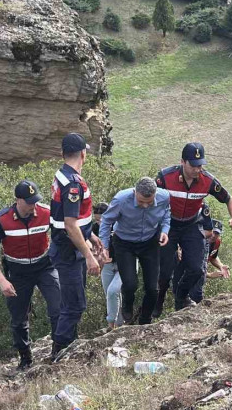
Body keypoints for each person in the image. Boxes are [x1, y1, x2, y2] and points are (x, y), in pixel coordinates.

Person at [154, 142, 232, 316]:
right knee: (165, 270)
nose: (197, 169)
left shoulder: (208, 181)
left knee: (197, 269)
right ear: (182, 162)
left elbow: (229, 199)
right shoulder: (164, 177)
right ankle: (159, 301)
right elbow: (148, 198)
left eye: (200, 165)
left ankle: (182, 296)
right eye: (193, 165)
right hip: (168, 224)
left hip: (192, 225)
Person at [0, 180, 59, 370]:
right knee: (18, 320)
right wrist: (2, 280)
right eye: (28, 201)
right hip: (17, 272)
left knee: (58, 307)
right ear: (18, 200)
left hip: (45, 267)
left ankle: (59, 351)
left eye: (35, 200)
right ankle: (25, 359)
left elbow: (66, 230)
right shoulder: (2, 219)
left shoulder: (46, 212)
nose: (33, 205)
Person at [48, 133, 103, 362]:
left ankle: (69, 343)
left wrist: (91, 236)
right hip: (69, 252)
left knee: (72, 301)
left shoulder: (62, 174)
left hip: (70, 247)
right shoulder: (73, 183)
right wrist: (89, 255)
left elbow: (73, 220)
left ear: (63, 153)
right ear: (83, 154)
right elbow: (70, 225)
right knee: (75, 304)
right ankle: (59, 352)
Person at [98, 177, 171, 325]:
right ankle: (127, 305)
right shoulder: (121, 199)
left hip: (149, 242)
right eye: (141, 202)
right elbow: (106, 221)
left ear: (155, 195)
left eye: (149, 202)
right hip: (124, 243)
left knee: (153, 288)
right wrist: (104, 247)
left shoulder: (164, 197)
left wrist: (165, 230)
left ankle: (145, 320)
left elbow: (166, 214)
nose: (145, 206)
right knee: (130, 284)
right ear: (134, 192)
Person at [93, 202, 123, 330]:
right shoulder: (94, 228)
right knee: (110, 295)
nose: (100, 223)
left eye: (102, 220)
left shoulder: (120, 224)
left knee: (113, 291)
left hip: (123, 264)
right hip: (106, 266)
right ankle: (120, 325)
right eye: (97, 220)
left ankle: (111, 325)